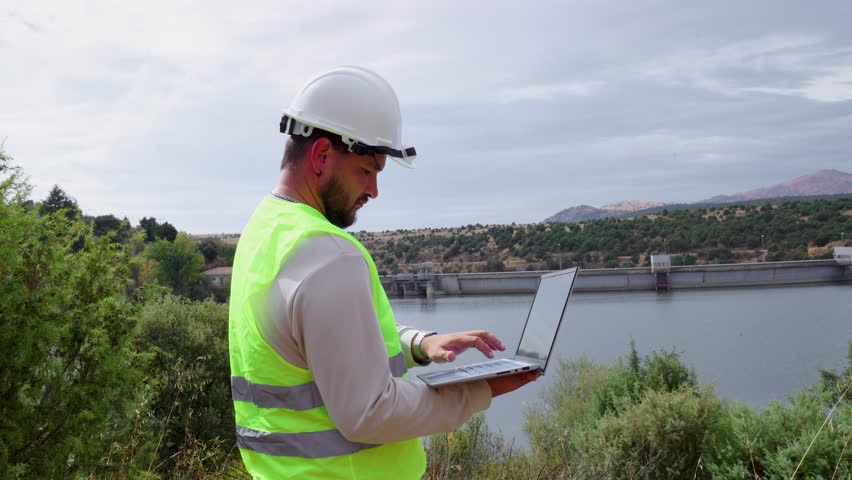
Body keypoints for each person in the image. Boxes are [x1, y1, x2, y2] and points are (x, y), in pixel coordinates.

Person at [228, 66, 539, 480]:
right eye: (368, 170)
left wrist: (419, 343)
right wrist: (479, 390)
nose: (374, 190)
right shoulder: (330, 254)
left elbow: (314, 338)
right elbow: (370, 413)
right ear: (322, 156)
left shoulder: (264, 231)